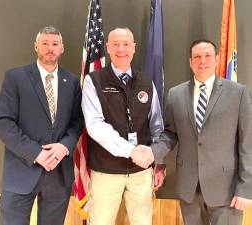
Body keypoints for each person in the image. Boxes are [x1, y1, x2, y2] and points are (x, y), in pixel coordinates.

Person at [149, 39, 252, 225]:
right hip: (189, 188)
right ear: (190, 62)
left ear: (217, 60)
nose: (202, 61)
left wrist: (246, 189)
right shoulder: (175, 94)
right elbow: (170, 134)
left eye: (207, 56)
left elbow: (248, 143)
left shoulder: (238, 93)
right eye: (197, 56)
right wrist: (152, 153)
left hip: (226, 189)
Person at [0, 26, 83, 225]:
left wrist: (64, 146)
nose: (50, 48)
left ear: (62, 48)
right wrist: (36, 153)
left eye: (55, 44)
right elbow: (3, 122)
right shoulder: (15, 78)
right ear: (36, 46)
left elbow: (78, 121)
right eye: (45, 43)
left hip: (58, 174)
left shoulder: (71, 81)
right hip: (21, 171)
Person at [81, 27, 164, 225]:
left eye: (126, 44)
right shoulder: (94, 81)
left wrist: (158, 160)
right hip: (106, 172)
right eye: (116, 44)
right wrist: (131, 151)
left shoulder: (146, 81)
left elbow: (157, 125)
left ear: (134, 48)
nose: (121, 49)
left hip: (141, 172)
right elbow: (94, 125)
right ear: (107, 48)